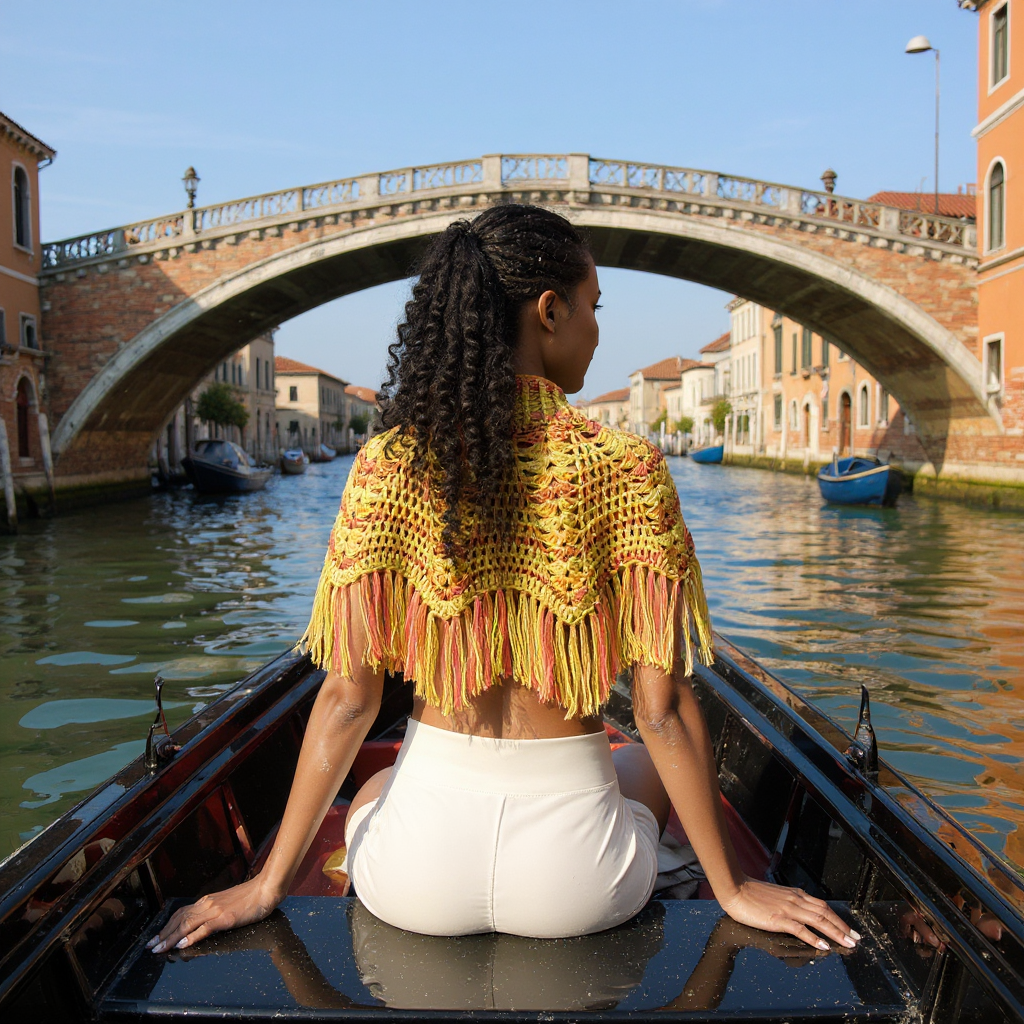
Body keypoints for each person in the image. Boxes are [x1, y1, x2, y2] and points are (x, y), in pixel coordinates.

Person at [150, 204, 859, 954]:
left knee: (371, 789)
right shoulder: (627, 469)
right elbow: (661, 708)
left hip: (417, 881)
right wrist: (735, 888)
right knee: (643, 761)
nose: (597, 328)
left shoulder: (386, 468)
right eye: (593, 307)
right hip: (579, 883)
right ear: (549, 311)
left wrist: (265, 886)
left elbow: (348, 700)